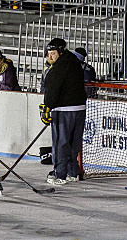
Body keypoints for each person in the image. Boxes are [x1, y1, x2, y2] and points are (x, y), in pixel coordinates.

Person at [41, 37, 87, 186]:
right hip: (79, 109)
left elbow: (52, 88)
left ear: (60, 52)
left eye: (53, 53)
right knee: (73, 142)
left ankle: (59, 174)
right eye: (48, 53)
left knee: (61, 143)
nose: (50, 57)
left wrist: (47, 107)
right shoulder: (73, 62)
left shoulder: (59, 67)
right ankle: (72, 172)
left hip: (63, 110)